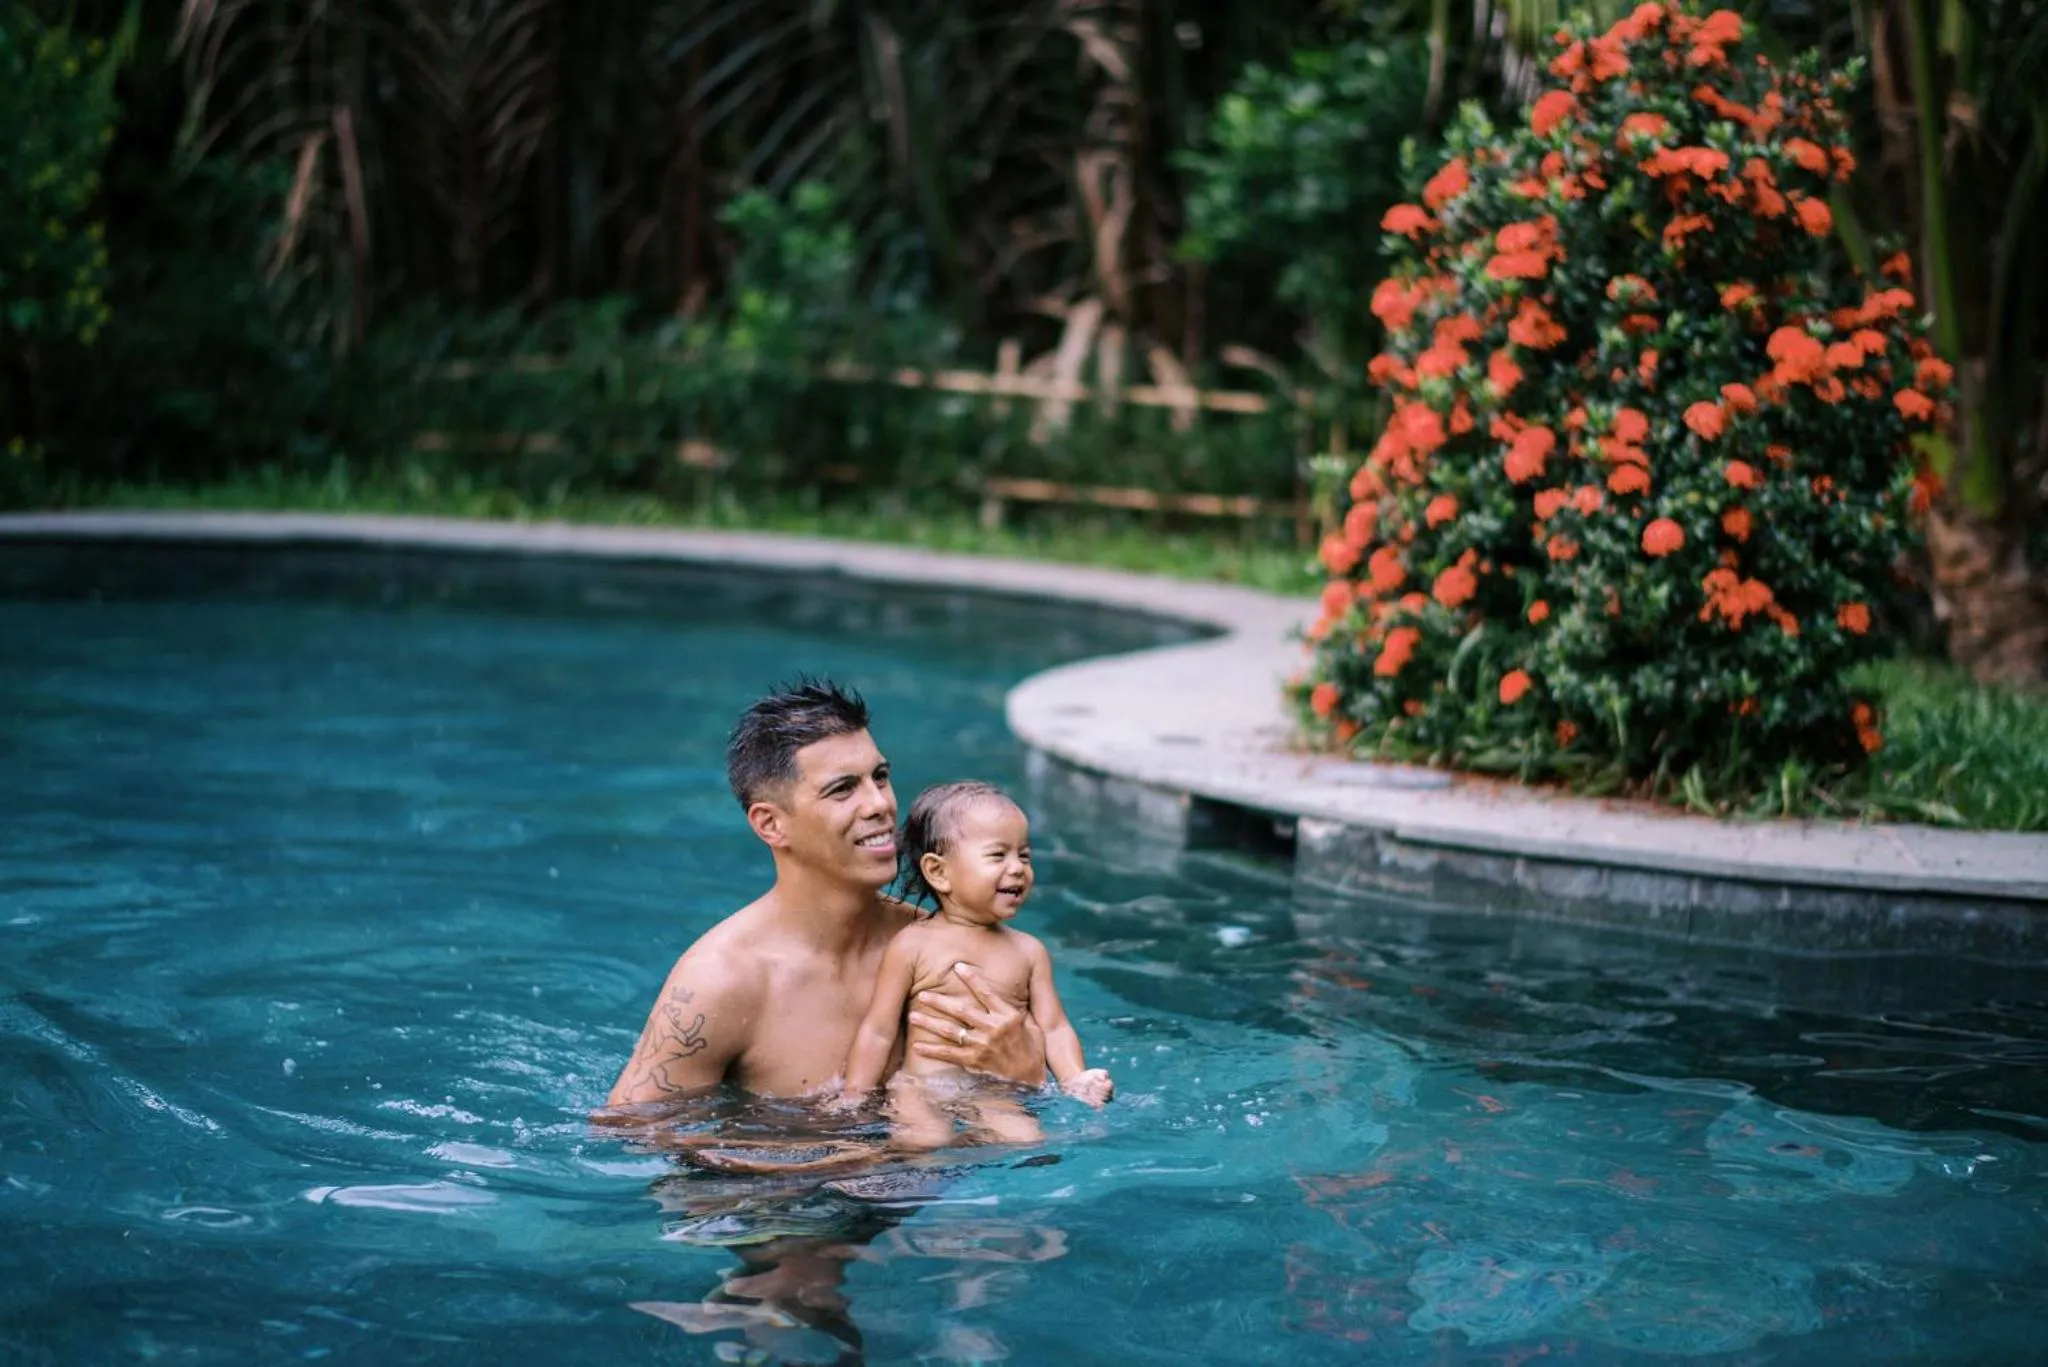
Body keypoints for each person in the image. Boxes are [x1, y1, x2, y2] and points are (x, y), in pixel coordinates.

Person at [604, 678, 1052, 1136]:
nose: (880, 804)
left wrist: (1027, 1076)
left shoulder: (945, 947)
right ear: (771, 824)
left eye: (879, 777)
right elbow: (627, 1137)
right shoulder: (724, 980)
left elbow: (1019, 1108)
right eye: (843, 789)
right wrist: (822, 1168)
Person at [836, 781, 1111, 1147]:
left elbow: (1054, 1027)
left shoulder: (1028, 951)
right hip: (922, 1088)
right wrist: (855, 1096)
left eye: (1024, 856)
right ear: (939, 872)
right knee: (923, 1143)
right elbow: (878, 1030)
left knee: (1027, 1143)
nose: (1017, 869)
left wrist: (1074, 1079)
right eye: (998, 856)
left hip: (993, 1089)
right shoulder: (912, 944)